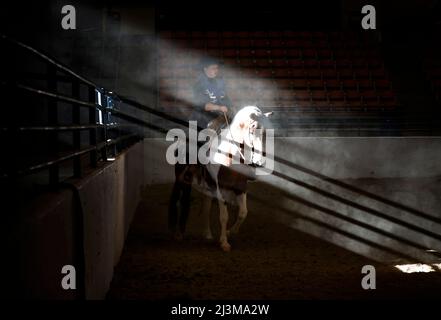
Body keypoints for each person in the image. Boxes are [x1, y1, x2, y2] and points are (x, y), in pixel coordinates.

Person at [168, 57, 233, 241]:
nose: (216, 71)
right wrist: (219, 106)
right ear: (205, 69)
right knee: (197, 141)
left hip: (216, 121)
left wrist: (228, 106)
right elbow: (203, 104)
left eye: (217, 68)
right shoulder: (198, 84)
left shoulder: (219, 83)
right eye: (213, 68)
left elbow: (225, 98)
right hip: (200, 121)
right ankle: (190, 168)